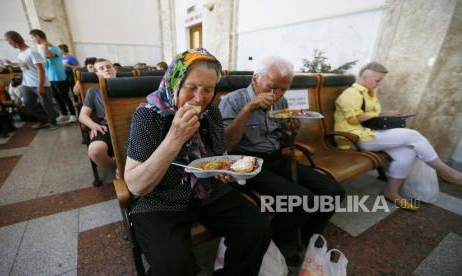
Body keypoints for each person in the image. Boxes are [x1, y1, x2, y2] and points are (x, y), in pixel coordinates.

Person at [124, 48, 270, 276]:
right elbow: (135, 185)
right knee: (173, 266)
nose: (199, 98)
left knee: (257, 229)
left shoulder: (211, 113)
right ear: (175, 82)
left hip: (208, 192)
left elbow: (220, 155)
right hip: (161, 200)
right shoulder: (148, 115)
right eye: (191, 87)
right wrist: (175, 138)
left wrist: (224, 171)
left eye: (208, 89)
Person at [219, 56, 344, 264]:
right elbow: (225, 146)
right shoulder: (233, 101)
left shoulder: (282, 102)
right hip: (248, 165)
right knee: (301, 199)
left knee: (332, 191)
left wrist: (292, 130)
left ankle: (306, 236)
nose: (277, 95)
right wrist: (247, 109)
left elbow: (285, 140)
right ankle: (279, 238)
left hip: (277, 158)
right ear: (256, 79)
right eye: (272, 87)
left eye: (283, 90)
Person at [334, 62, 462, 210]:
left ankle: (391, 192)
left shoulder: (367, 93)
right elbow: (356, 118)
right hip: (355, 137)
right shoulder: (350, 94)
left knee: (407, 153)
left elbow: (369, 116)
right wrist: (380, 114)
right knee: (413, 135)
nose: (379, 84)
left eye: (380, 80)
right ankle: (446, 172)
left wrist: (385, 114)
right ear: (364, 77)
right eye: (377, 80)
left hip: (369, 133)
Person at [4, 31, 58, 129]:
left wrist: (40, 86)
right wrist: (13, 64)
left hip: (40, 83)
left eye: (9, 42)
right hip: (26, 84)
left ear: (13, 41)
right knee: (28, 103)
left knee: (47, 105)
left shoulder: (32, 52)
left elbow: (41, 70)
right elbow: (25, 65)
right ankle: (43, 120)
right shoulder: (20, 53)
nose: (9, 44)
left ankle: (53, 123)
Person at [29, 29, 77, 123]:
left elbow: (47, 56)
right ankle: (64, 114)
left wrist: (46, 46)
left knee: (64, 97)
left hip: (59, 76)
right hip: (50, 77)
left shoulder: (53, 48)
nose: (33, 40)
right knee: (57, 97)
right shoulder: (42, 48)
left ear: (38, 36)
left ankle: (73, 114)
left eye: (33, 38)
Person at [78, 58, 116, 172]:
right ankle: (118, 169)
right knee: (95, 151)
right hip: (106, 126)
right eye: (102, 68)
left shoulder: (130, 86)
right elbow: (82, 115)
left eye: (109, 67)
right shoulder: (93, 91)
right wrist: (93, 125)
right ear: (96, 73)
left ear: (114, 69)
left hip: (131, 124)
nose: (106, 69)